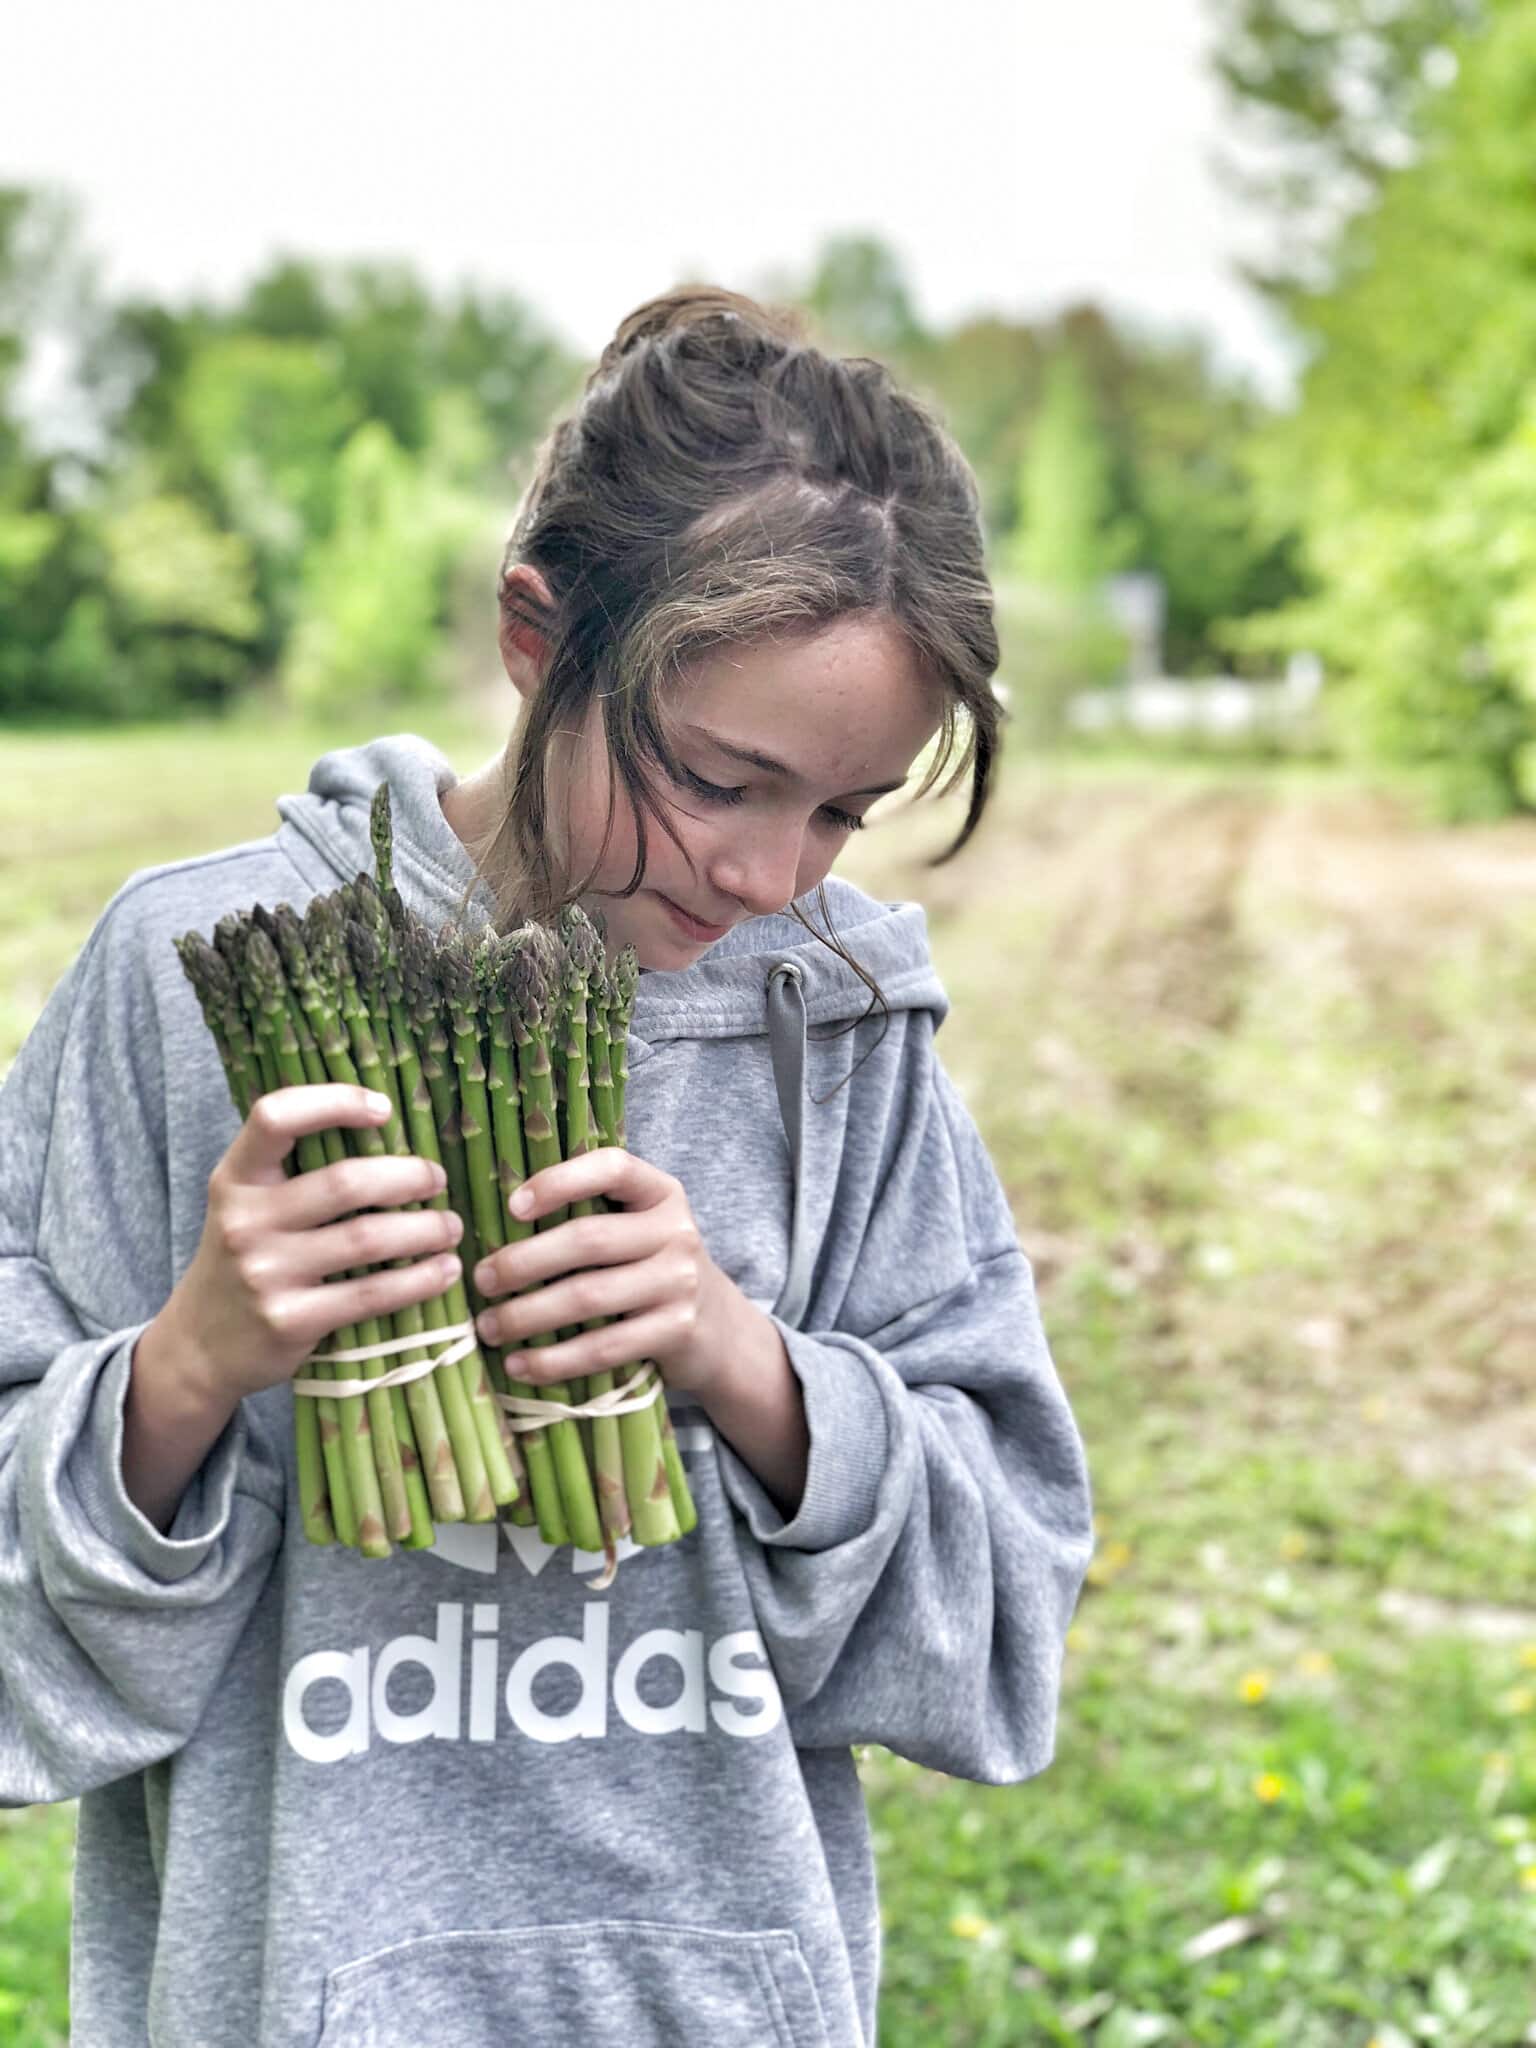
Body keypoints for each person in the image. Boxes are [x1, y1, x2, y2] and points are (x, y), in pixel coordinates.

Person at [0, 285, 1093, 2048]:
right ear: (536, 635)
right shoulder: (189, 980)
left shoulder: (846, 1028)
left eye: (840, 811)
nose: (769, 877)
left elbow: (1003, 1633)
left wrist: (750, 1369)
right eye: (721, 779)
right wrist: (183, 1372)